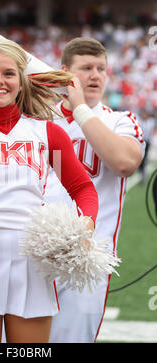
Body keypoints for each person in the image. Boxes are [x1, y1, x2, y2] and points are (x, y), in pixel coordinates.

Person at [0, 38, 99, 343]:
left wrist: (86, 225)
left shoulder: (47, 132)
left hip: (32, 260)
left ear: (22, 81)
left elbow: (83, 189)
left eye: (8, 73)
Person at [44, 37, 145, 343]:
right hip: (31, 257)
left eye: (101, 68)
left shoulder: (120, 120)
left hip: (85, 263)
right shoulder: (38, 119)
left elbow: (125, 162)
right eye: (86, 68)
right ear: (65, 73)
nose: (96, 75)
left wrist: (80, 111)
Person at [138, 109, 156, 184]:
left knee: (144, 158)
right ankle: (140, 171)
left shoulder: (151, 121)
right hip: (140, 141)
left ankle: (143, 175)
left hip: (147, 142)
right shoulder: (139, 120)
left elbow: (153, 130)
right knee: (139, 158)